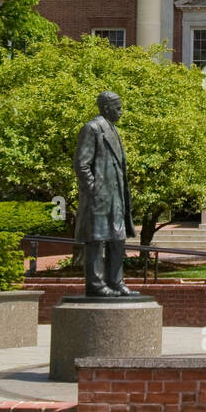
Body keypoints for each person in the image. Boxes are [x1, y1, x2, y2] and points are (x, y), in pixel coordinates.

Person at [73, 90, 139, 298]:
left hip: (116, 196)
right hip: (100, 197)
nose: (121, 112)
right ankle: (96, 284)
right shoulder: (93, 128)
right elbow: (82, 165)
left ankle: (115, 281)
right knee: (96, 240)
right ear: (107, 108)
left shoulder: (112, 129)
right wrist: (94, 190)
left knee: (117, 239)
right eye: (118, 108)